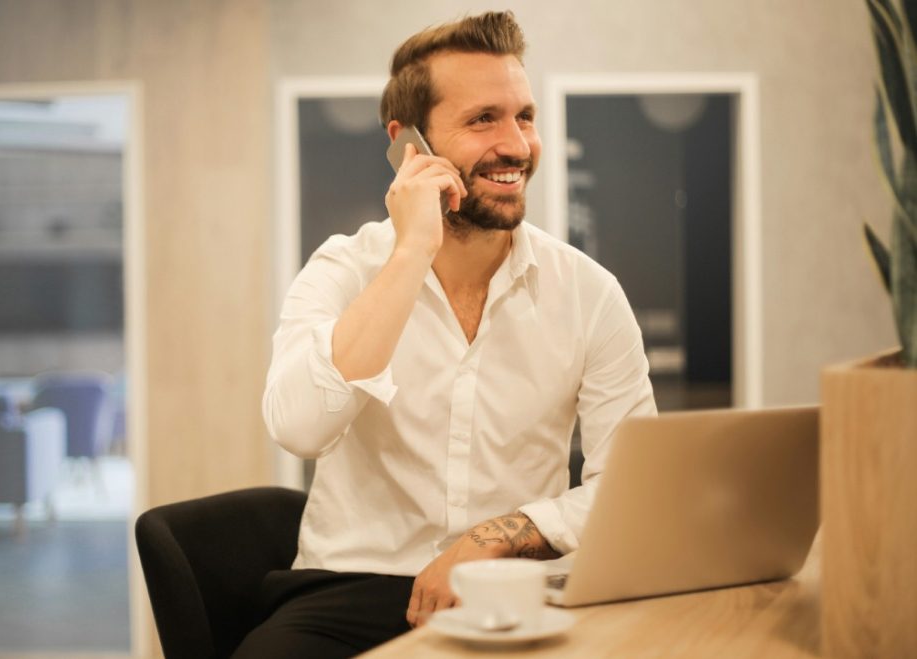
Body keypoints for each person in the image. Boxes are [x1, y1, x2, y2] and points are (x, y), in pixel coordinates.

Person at [245, 10, 656, 658]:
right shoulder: (343, 268)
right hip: (351, 589)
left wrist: (495, 535)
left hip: (518, 586)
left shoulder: (589, 293)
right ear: (409, 143)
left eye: (523, 116)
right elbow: (299, 427)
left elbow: (630, 486)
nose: (517, 145)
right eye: (482, 119)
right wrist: (410, 253)